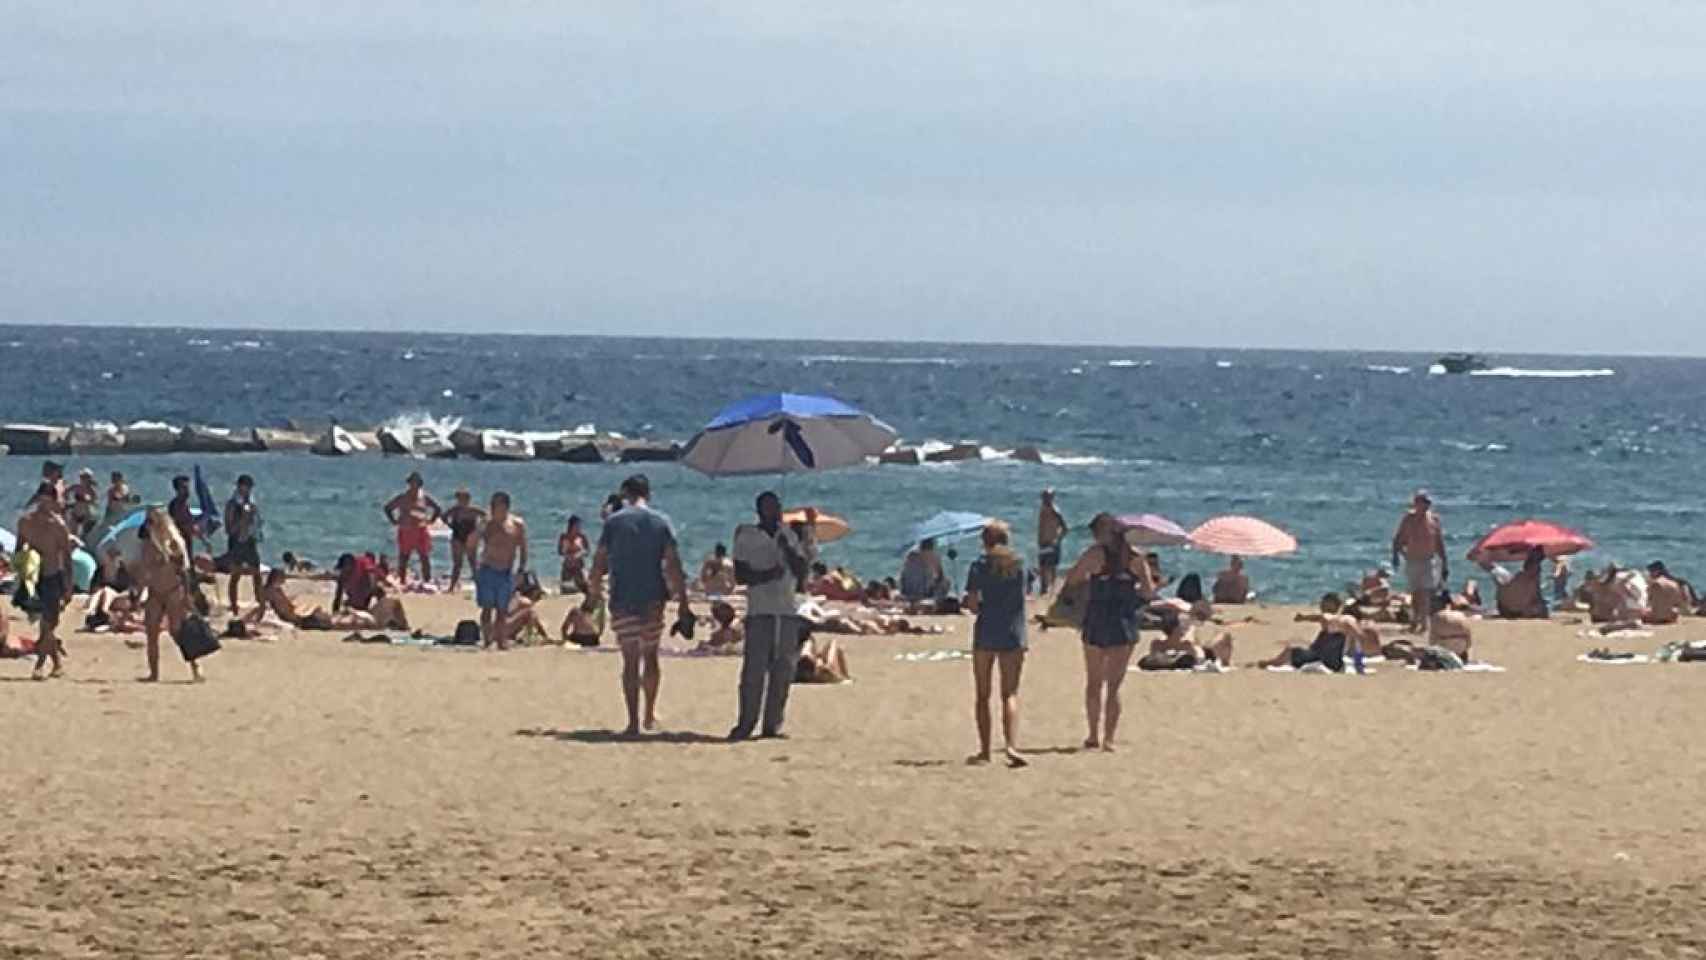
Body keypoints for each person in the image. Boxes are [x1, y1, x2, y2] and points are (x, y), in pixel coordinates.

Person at [587, 474, 693, 737]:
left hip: (622, 598)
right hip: (653, 599)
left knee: (630, 661)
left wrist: (594, 593)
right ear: (649, 493)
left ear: (625, 493)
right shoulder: (661, 522)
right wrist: (683, 603)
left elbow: (599, 563)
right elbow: (674, 565)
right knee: (651, 656)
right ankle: (649, 714)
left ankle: (633, 721)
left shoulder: (613, 523)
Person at [1064, 513, 1157, 751]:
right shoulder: (1135, 558)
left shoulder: (1094, 555)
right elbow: (1148, 593)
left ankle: (1093, 734)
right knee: (1114, 685)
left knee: (1094, 682)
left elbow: (1072, 579)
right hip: (1123, 621)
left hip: (1096, 618)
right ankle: (1109, 739)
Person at [729, 493, 813, 742]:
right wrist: (767, 574)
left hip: (786, 609)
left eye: (777, 508)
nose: (774, 512)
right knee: (754, 671)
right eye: (769, 508)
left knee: (783, 670)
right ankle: (746, 723)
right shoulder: (747, 536)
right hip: (760, 610)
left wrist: (789, 550)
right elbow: (742, 575)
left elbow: (801, 573)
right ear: (759, 510)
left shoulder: (787, 534)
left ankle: (772, 724)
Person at [963, 520, 1028, 767]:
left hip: (986, 630)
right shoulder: (1019, 564)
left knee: (982, 694)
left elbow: (971, 603)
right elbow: (1025, 594)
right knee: (1009, 693)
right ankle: (1011, 745)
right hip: (1013, 631)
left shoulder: (979, 566)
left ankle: (985, 750)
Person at [136, 507, 202, 682]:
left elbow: (184, 571)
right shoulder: (147, 543)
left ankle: (195, 665)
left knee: (177, 631)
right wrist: (138, 592)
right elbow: (144, 571)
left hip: (173, 589)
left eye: (153, 521)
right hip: (155, 591)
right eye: (148, 521)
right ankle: (154, 673)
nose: (149, 525)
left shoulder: (173, 543)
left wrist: (187, 594)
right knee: (151, 632)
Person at [16, 484, 73, 680]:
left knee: (50, 622)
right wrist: (21, 574)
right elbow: (18, 549)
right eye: (42, 499)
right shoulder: (25, 522)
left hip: (53, 575)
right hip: (34, 577)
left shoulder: (58, 525)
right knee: (46, 623)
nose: (45, 504)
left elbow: (66, 558)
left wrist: (69, 586)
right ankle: (40, 666)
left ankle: (56, 662)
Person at [475, 491, 528, 650]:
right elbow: (473, 544)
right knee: (486, 608)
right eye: (491, 506)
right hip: (488, 568)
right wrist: (474, 567)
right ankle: (487, 640)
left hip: (505, 571)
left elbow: (523, 548)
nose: (492, 509)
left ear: (505, 507)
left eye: (495, 506)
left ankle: (501, 640)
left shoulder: (517, 524)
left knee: (502, 609)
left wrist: (521, 569)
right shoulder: (486, 523)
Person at [1391, 490, 1448, 635]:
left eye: (1428, 503)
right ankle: (1415, 620)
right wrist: (1396, 555)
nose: (1426, 506)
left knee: (1425, 592)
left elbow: (1439, 542)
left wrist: (1444, 562)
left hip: (1428, 560)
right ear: (1416, 503)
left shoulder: (1434, 519)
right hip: (1412, 560)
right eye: (1423, 502)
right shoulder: (1408, 519)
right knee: (1415, 593)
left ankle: (1424, 623)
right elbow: (1398, 539)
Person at [384, 471, 443, 584]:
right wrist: (394, 521)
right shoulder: (402, 498)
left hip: (420, 530)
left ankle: (427, 580)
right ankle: (402, 580)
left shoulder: (424, 498)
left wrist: (431, 520)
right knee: (404, 557)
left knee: (424, 557)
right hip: (406, 530)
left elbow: (437, 508)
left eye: (416, 483)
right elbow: (388, 508)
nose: (413, 485)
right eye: (411, 482)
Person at [223, 474, 264, 617]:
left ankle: (261, 605)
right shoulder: (232, 504)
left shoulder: (251, 503)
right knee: (236, 575)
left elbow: (257, 522)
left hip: (250, 541)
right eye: (246, 487)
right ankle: (234, 608)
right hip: (236, 541)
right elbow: (229, 529)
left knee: (256, 574)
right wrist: (242, 520)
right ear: (240, 487)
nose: (248, 490)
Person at [1478, 547, 1548, 619]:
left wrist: (1484, 553)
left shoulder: (1506, 577)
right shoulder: (1531, 581)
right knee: (1537, 596)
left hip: (1507, 611)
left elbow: (1486, 565)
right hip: (1524, 611)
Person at [442, 489, 484, 593]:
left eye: (464, 498)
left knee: (473, 563)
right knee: (457, 564)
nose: (462, 501)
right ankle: (452, 587)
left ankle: (480, 587)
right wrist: (450, 525)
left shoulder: (474, 511)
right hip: (457, 538)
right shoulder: (454, 510)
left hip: (470, 538)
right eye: (460, 499)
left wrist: (479, 530)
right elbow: (443, 517)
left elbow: (487, 517)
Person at [898, 538, 949, 609]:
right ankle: (936, 601)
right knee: (945, 582)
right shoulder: (934, 557)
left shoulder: (910, 556)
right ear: (932, 545)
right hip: (924, 594)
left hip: (907, 593)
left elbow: (902, 578)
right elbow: (940, 577)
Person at [167, 474, 206, 564]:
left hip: (185, 542)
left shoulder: (184, 505)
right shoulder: (176, 505)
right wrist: (199, 535)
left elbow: (189, 523)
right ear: (177, 490)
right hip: (179, 544)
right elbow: (183, 524)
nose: (188, 491)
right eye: (184, 488)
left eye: (188, 487)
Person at [1036, 490, 1067, 595]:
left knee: (1049, 567)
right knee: (1044, 566)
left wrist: (1057, 540)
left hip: (1050, 543)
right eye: (1044, 497)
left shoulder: (1054, 510)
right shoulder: (1044, 508)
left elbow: (1065, 527)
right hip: (1043, 543)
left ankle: (1052, 591)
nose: (1045, 499)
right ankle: (1045, 590)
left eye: (1047, 497)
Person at [557, 515, 590, 595]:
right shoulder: (563, 536)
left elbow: (587, 551)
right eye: (577, 525)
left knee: (584, 587)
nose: (579, 527)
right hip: (567, 566)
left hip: (579, 566)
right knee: (565, 589)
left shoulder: (582, 537)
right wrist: (568, 554)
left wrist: (580, 554)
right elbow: (559, 551)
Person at [66, 468, 99, 539]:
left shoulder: (91, 490)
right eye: (81, 477)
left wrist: (88, 500)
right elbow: (66, 492)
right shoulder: (76, 487)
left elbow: (95, 503)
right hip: (75, 513)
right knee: (72, 534)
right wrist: (69, 503)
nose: (82, 479)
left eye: (84, 477)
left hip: (85, 515)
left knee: (84, 535)